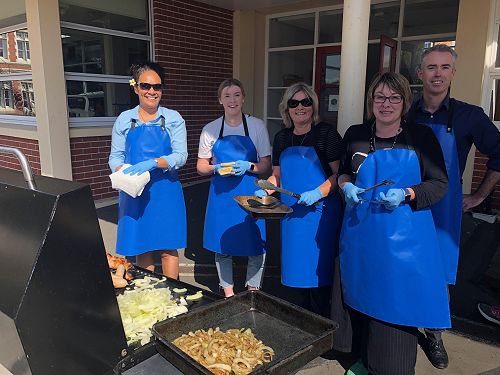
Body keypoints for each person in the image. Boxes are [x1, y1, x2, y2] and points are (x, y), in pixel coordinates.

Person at [336, 72, 450, 375]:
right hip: (360, 237)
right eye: (380, 97)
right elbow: (344, 172)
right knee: (360, 301)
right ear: (371, 101)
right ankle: (362, 359)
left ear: (404, 101)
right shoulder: (355, 134)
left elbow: (439, 184)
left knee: (394, 309)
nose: (386, 104)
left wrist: (408, 193)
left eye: (394, 98)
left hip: (402, 245)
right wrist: (346, 186)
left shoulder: (421, 138)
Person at [408, 44, 500, 369]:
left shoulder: (469, 116)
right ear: (420, 73)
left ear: (452, 73)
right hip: (408, 205)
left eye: (444, 67)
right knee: (405, 268)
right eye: (431, 67)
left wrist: (477, 196)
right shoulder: (405, 114)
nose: (437, 73)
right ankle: (401, 327)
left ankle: (434, 335)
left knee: (439, 274)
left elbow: (499, 153)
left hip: (445, 210)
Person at [255, 82, 343, 317]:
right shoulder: (282, 138)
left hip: (321, 215)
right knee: (296, 276)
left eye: (306, 102)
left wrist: (318, 192)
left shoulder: (326, 134)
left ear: (313, 106)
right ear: (287, 108)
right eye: (294, 103)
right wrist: (265, 191)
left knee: (320, 276)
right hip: (292, 217)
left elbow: (339, 174)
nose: (300, 107)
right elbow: (276, 175)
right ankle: (303, 322)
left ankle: (325, 326)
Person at [109, 61, 187, 278]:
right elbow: (115, 156)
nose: (152, 91)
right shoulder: (125, 120)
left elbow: (181, 156)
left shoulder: (173, 119)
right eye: (146, 86)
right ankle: (148, 293)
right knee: (142, 248)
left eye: (157, 87)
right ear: (135, 88)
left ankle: (172, 296)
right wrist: (124, 173)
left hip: (165, 191)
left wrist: (154, 163)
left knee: (168, 248)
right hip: (135, 193)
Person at [197, 78, 271, 298]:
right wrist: (215, 167)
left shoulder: (256, 126)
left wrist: (249, 165)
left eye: (237, 95)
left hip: (250, 191)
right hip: (221, 196)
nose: (232, 100)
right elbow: (201, 166)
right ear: (220, 100)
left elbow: (265, 163)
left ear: (243, 98)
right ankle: (228, 292)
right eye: (227, 95)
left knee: (256, 243)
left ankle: (253, 289)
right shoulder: (210, 129)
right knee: (222, 246)